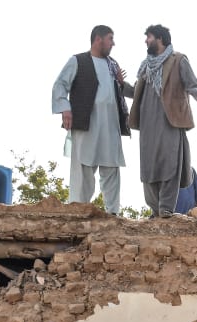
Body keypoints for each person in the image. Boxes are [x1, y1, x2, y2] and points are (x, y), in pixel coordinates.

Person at [129, 24, 197, 218]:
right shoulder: (145, 66)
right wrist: (119, 84)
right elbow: (136, 92)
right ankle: (155, 209)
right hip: (148, 122)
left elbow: (192, 84)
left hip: (170, 121)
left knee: (169, 165)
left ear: (160, 39)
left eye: (148, 37)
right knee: (149, 167)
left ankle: (166, 207)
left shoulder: (178, 60)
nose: (146, 41)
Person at [52, 25, 134, 216]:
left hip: (111, 125)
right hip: (86, 124)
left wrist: (122, 84)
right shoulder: (77, 61)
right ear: (98, 39)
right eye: (110, 38)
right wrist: (65, 108)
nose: (113, 43)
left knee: (111, 167)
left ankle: (113, 213)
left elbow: (125, 91)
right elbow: (60, 85)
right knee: (83, 168)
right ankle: (78, 212)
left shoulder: (112, 64)